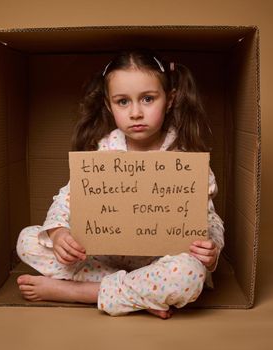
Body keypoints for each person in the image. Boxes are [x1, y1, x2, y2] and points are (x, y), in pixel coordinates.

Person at [16, 50, 225, 319]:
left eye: (148, 99)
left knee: (189, 274)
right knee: (28, 240)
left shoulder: (186, 160)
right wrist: (58, 234)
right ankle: (141, 292)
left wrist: (212, 248)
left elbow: (210, 219)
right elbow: (68, 199)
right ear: (108, 105)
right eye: (123, 102)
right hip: (104, 258)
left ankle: (82, 292)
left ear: (170, 99)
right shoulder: (102, 152)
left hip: (160, 263)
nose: (136, 112)